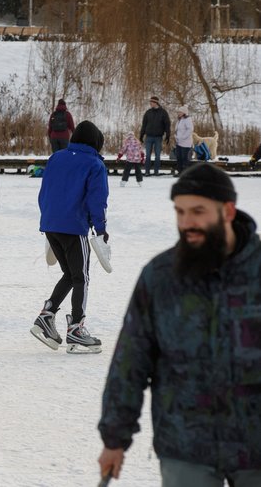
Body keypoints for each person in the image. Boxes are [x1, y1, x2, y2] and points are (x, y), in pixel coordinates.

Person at [98, 164, 261, 485]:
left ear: (227, 211)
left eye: (198, 211)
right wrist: (114, 438)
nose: (187, 223)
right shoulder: (160, 277)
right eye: (180, 212)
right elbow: (130, 361)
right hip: (186, 446)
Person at [30, 120, 108, 353]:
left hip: (51, 224)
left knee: (70, 274)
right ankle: (76, 327)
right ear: (96, 142)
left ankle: (47, 315)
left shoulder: (56, 157)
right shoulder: (94, 164)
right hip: (74, 227)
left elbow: (44, 192)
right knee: (81, 277)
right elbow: (97, 200)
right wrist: (101, 228)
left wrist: (48, 219)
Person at [140, 96, 171, 176]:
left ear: (156, 103)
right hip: (149, 137)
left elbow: (167, 124)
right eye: (150, 102)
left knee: (157, 155)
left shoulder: (163, 112)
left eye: (152, 102)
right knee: (148, 155)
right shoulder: (148, 112)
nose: (150, 104)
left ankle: (156, 171)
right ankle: (147, 171)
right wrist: (141, 135)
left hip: (158, 137)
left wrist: (168, 135)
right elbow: (144, 125)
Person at [173, 105, 193, 175]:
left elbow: (190, 130)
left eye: (180, 112)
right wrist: (175, 136)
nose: (178, 113)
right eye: (178, 112)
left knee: (184, 158)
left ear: (184, 113)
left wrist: (183, 137)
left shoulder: (188, 119)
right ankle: (180, 172)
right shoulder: (179, 120)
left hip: (186, 143)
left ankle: (185, 173)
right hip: (179, 142)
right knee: (179, 157)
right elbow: (177, 130)